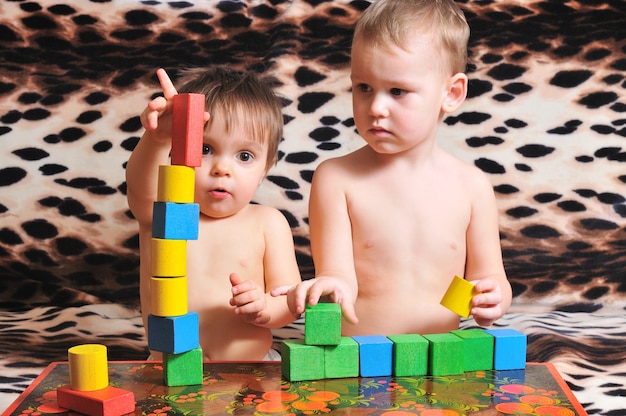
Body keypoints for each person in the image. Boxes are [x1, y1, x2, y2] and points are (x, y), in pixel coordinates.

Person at [272, 0, 512, 336]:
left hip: (438, 359)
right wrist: (329, 287)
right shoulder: (337, 179)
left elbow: (489, 277)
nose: (376, 108)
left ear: (452, 93)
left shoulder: (471, 187)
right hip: (358, 359)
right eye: (364, 88)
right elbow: (337, 275)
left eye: (398, 91)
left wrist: (490, 300)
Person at [126, 66, 301, 360]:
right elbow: (139, 187)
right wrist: (157, 139)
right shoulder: (170, 214)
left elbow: (290, 301)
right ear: (179, 151)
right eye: (205, 149)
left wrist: (264, 308)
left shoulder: (267, 223)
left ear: (265, 169)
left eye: (244, 156)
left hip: (251, 371)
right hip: (170, 368)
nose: (222, 168)